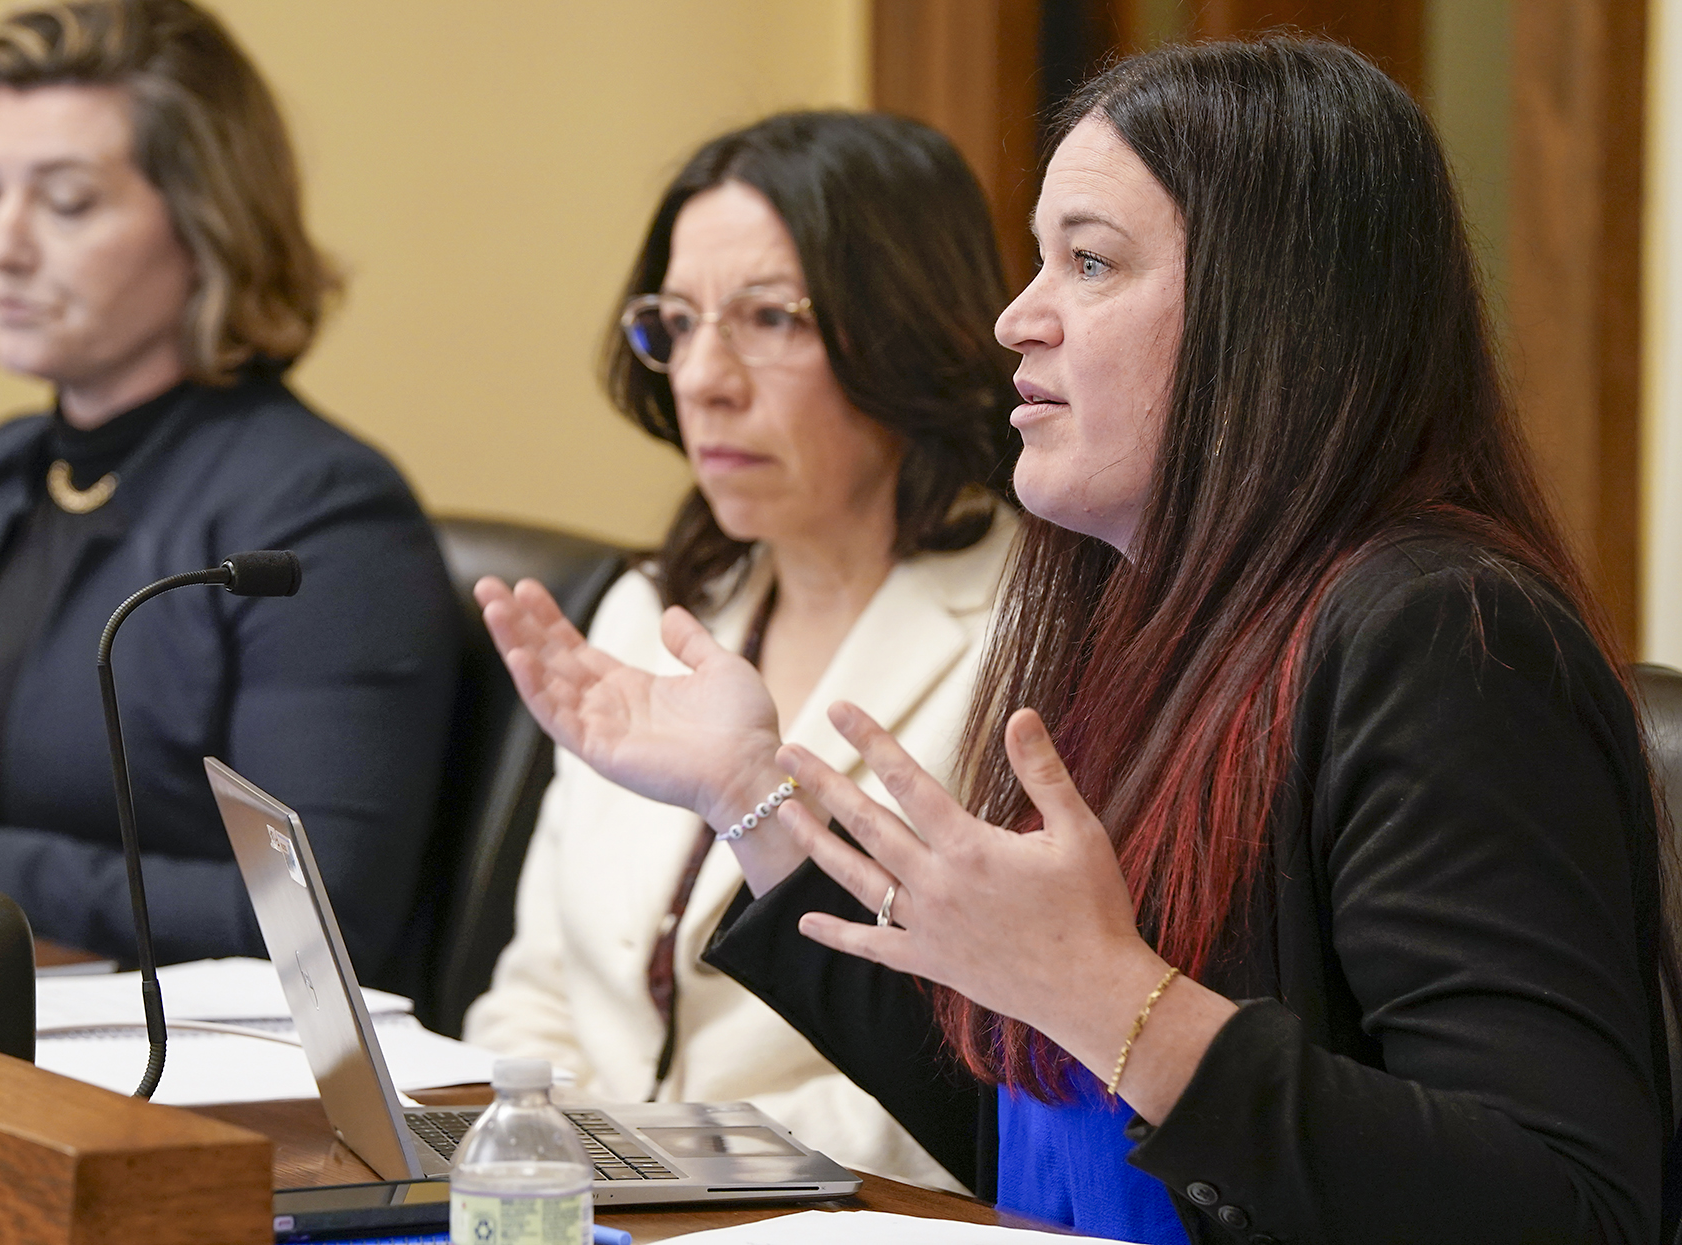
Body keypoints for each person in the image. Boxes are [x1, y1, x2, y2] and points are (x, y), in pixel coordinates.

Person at [476, 39, 1671, 1244]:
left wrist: (1111, 996)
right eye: (1039, 261)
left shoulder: (1448, 636)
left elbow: (1562, 1204)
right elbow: (1027, 1123)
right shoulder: (1141, 617)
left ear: (1276, 318)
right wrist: (747, 793)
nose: (1014, 319)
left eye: (1089, 263)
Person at [0, 0, 457, 981]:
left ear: (208, 224)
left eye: (65, 202)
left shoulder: (322, 513)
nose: (0, 246)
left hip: (194, 1097)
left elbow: (320, 917)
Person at [462, 111, 1020, 1191]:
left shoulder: (1035, 631)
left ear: (908, 329)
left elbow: (989, 1087)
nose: (704, 377)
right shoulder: (653, 607)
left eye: (770, 319)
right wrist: (545, 1168)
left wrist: (652, 1165)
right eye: (676, 322)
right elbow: (535, 988)